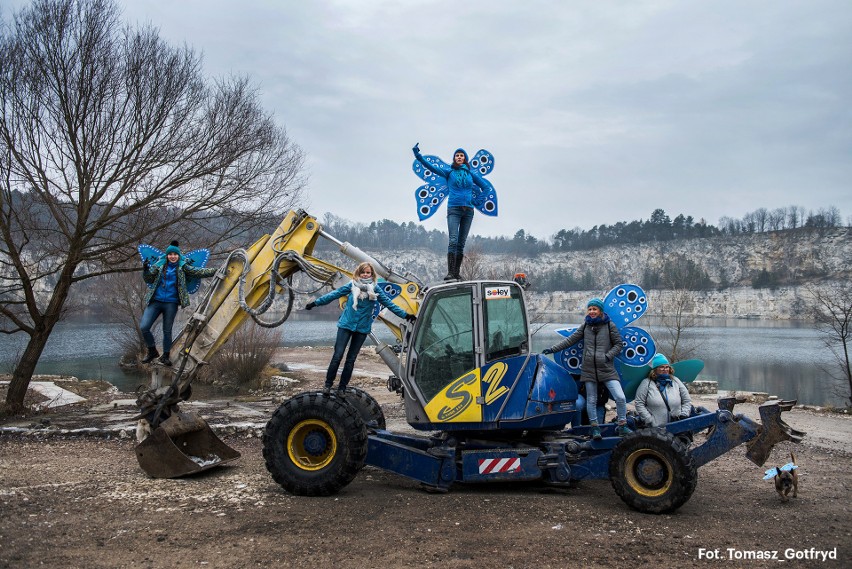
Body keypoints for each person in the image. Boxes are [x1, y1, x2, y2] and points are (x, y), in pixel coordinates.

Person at [306, 262, 416, 395]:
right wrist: (315, 303)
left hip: (362, 328)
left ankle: (342, 388)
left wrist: (406, 315)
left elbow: (389, 304)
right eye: (363, 272)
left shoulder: (375, 289)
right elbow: (334, 294)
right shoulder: (352, 285)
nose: (365, 274)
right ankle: (328, 385)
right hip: (346, 325)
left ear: (372, 274)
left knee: (351, 359)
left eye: (368, 272)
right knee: (337, 356)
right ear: (359, 273)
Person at [543, 298, 629, 439]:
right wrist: (553, 348)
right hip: (589, 369)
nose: (592, 311)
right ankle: (594, 429)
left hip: (606, 368)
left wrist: (607, 356)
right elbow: (570, 340)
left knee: (620, 397)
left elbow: (618, 344)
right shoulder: (585, 326)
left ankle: (622, 425)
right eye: (590, 309)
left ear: (600, 311)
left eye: (594, 309)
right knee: (591, 400)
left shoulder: (609, 325)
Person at [412, 143, 488, 281]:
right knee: (453, 240)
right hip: (454, 209)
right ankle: (450, 273)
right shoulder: (449, 172)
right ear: (454, 158)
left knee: (461, 243)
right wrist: (418, 156)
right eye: (457, 155)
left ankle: (456, 273)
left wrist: (477, 201)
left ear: (465, 158)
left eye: (461, 155)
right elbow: (432, 167)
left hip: (469, 211)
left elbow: (486, 188)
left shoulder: (471, 174)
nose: (459, 157)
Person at [140, 240, 217, 366]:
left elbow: (198, 272)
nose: (173, 256)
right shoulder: (159, 265)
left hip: (171, 303)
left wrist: (216, 270)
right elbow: (148, 278)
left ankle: (165, 355)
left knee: (167, 330)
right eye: (170, 254)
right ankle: (152, 350)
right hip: (155, 301)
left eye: (175, 254)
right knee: (144, 327)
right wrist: (146, 270)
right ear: (167, 255)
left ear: (178, 255)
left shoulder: (183, 266)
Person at [633, 353, 693, 429]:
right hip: (655, 429)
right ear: (655, 369)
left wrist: (684, 414)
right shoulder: (646, 383)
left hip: (677, 426)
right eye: (661, 367)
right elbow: (639, 403)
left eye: (667, 367)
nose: (665, 369)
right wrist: (649, 420)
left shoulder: (675, 381)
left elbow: (687, 400)